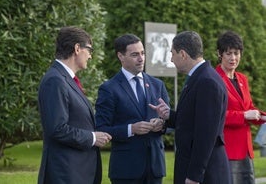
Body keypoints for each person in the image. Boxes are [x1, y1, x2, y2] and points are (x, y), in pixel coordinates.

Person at [149, 31, 232, 184]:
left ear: (183, 54)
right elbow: (195, 121)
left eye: (172, 54)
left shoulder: (207, 81)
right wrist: (170, 116)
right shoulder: (200, 77)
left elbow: (206, 136)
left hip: (205, 174)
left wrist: (194, 176)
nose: (171, 59)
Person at [37, 26, 112, 184]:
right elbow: (57, 129)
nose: (90, 56)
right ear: (77, 48)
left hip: (77, 172)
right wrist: (92, 137)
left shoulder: (65, 79)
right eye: (90, 49)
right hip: (66, 174)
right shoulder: (55, 80)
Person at [95, 34, 170, 184]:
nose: (141, 58)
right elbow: (101, 128)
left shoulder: (157, 85)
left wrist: (162, 124)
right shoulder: (109, 89)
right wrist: (131, 129)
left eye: (143, 53)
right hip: (126, 170)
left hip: (155, 168)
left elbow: (170, 123)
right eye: (135, 54)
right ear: (120, 56)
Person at [215, 30, 266, 184]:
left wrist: (262, 116)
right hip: (228, 150)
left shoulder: (242, 78)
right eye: (228, 53)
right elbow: (216, 116)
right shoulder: (214, 79)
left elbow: (248, 107)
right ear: (219, 54)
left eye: (236, 53)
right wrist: (244, 116)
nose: (233, 58)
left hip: (246, 150)